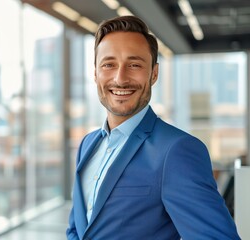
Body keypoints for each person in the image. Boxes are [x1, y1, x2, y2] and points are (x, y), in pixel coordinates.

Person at [66, 15, 240, 240]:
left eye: (134, 65)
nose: (120, 78)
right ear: (95, 73)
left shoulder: (177, 151)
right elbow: (76, 230)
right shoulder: (88, 145)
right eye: (109, 64)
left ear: (154, 73)